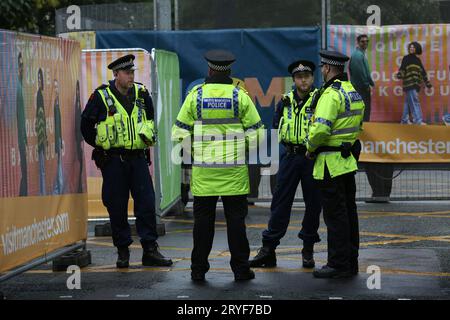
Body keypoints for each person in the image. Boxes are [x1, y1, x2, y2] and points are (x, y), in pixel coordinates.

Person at [172, 49, 264, 282]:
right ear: (229, 71)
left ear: (209, 70)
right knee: (236, 224)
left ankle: (198, 270)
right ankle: (241, 270)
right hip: (234, 174)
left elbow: (179, 131)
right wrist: (241, 150)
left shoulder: (196, 95)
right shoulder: (239, 96)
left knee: (203, 225)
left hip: (205, 175)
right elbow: (258, 133)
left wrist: (195, 151)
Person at [81, 54, 172, 268]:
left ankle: (150, 250)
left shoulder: (141, 93)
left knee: (146, 204)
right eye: (127, 73)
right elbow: (85, 126)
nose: (131, 76)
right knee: (117, 206)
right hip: (114, 161)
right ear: (116, 74)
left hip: (138, 159)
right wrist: (101, 146)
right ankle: (123, 251)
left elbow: (149, 119)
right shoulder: (101, 96)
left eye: (132, 72)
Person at [249, 59, 322, 269]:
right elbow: (276, 125)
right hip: (290, 157)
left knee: (313, 205)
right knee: (280, 203)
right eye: (299, 77)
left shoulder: (320, 100)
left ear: (312, 78)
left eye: (306, 76)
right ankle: (268, 250)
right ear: (294, 80)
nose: (303, 80)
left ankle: (308, 250)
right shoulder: (285, 101)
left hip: (311, 158)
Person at [305, 50, 364, 279]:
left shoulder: (331, 94)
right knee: (349, 213)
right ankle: (351, 261)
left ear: (328, 68)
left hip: (330, 164)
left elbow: (320, 129)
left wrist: (310, 147)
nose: (321, 70)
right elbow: (358, 126)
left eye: (322, 67)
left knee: (335, 216)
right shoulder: (352, 92)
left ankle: (337, 264)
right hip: (347, 162)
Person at [397, 41, 432, 125]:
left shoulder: (418, 60)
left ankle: (404, 120)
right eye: (410, 47)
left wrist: (427, 83)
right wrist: (400, 74)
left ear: (417, 48)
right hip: (409, 83)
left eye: (413, 47)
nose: (411, 48)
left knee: (408, 102)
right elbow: (402, 68)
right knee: (415, 101)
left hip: (416, 84)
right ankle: (418, 120)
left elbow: (423, 72)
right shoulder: (406, 58)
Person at [349, 34, 374, 122]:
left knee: (362, 112)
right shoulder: (357, 56)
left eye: (367, 41)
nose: (365, 43)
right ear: (358, 43)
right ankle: (364, 133)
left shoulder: (360, 54)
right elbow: (360, 74)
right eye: (362, 41)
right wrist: (366, 85)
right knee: (363, 112)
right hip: (360, 88)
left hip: (361, 88)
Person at [16, 52, 27, 196]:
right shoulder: (17, 87)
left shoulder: (20, 86)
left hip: (22, 138)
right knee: (23, 171)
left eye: (23, 65)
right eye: (20, 65)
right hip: (19, 139)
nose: (22, 69)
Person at [36, 68, 48, 196]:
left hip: (42, 137)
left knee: (43, 169)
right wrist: (42, 136)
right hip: (40, 138)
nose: (39, 81)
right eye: (38, 78)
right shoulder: (38, 95)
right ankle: (42, 193)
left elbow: (42, 117)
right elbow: (39, 118)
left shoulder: (41, 95)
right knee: (41, 169)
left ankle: (43, 192)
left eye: (41, 78)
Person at [53, 79, 64, 194]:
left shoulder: (58, 104)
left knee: (59, 165)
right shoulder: (54, 105)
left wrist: (60, 140)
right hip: (55, 140)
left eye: (57, 87)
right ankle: (57, 189)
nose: (56, 90)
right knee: (57, 165)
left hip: (58, 140)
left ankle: (59, 188)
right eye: (54, 87)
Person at [74, 80, 84, 193]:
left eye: (78, 90)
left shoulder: (79, 104)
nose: (77, 92)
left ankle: (79, 186)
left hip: (79, 138)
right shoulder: (76, 104)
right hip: (77, 139)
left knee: (80, 160)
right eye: (76, 90)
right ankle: (78, 186)